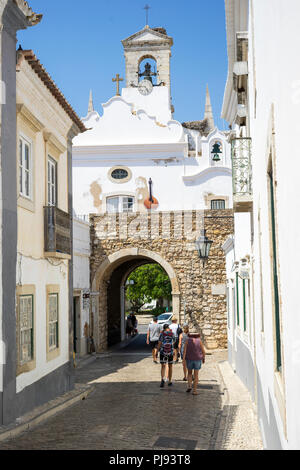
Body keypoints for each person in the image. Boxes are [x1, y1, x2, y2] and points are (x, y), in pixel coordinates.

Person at [183, 326, 206, 395]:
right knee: (196, 375)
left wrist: (183, 359)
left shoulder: (187, 341)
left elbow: (184, 351)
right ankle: (195, 390)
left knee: (189, 373)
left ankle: (189, 386)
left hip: (189, 359)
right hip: (197, 359)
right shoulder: (199, 341)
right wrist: (203, 358)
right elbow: (203, 351)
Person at [157, 324, 174, 388]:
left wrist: (157, 351)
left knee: (163, 366)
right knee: (170, 366)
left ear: (163, 328)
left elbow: (159, 343)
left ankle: (162, 379)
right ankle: (169, 381)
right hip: (170, 352)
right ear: (168, 328)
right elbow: (174, 343)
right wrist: (175, 352)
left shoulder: (162, 334)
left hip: (163, 351)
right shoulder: (172, 334)